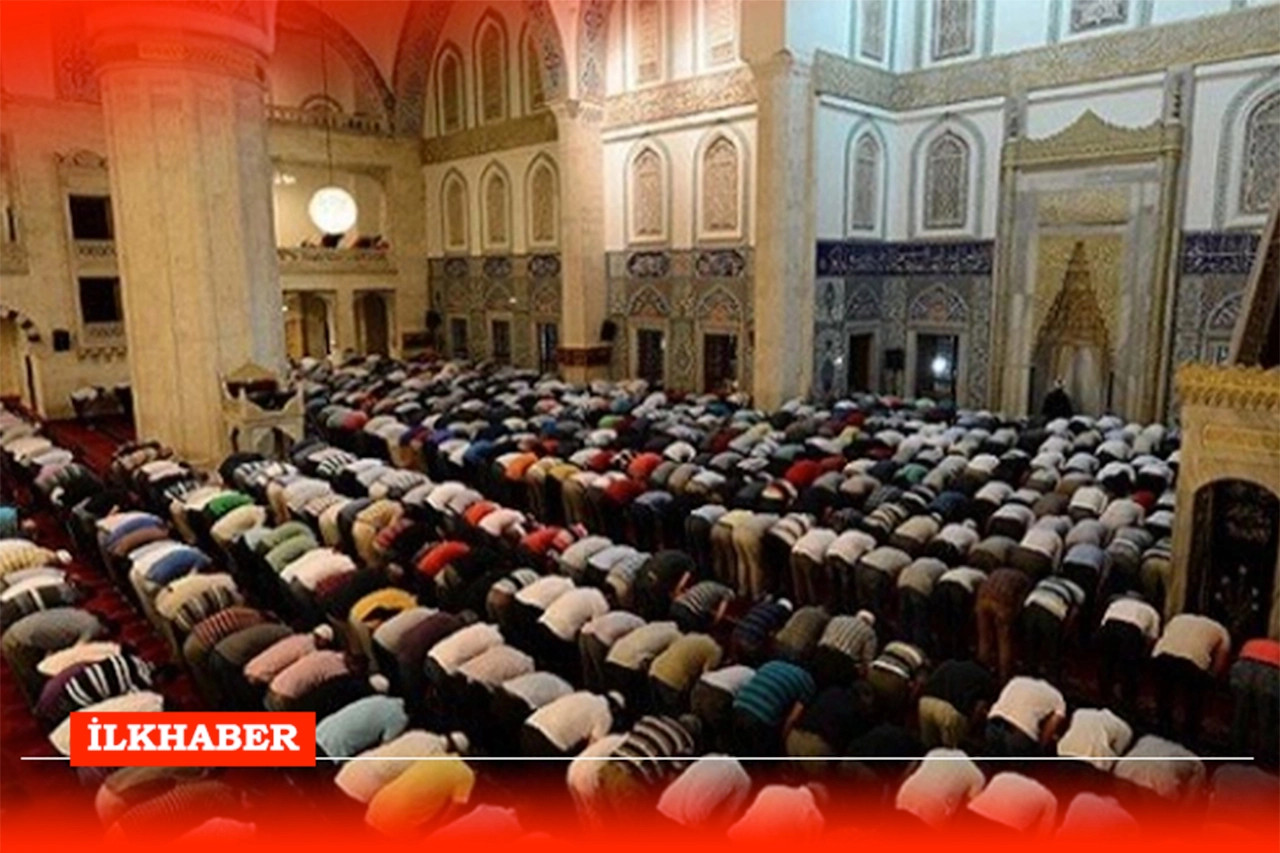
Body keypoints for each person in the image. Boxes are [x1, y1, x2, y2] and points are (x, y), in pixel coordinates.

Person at [1150, 613, 1230, 744]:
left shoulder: (1179, 618)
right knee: (1193, 701)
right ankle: (1189, 737)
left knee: (1164, 695)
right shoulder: (1221, 630)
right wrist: (1212, 678)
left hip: (1163, 655)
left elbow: (1164, 635)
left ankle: (1161, 730)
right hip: (1193, 661)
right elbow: (1220, 660)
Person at [985, 676, 1066, 758]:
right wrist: (1040, 750)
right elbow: (1051, 726)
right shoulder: (1059, 698)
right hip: (1020, 732)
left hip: (994, 724)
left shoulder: (1017, 680)